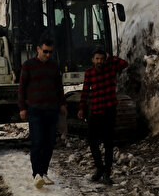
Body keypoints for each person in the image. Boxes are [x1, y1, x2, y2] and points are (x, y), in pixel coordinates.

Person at [18, 39, 66, 189]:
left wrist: (63, 103)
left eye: (50, 52)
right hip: (35, 110)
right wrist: (22, 108)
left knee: (49, 143)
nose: (48, 54)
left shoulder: (53, 66)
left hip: (52, 110)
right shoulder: (28, 66)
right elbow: (22, 88)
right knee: (38, 142)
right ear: (38, 49)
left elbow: (59, 87)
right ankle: (36, 174)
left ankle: (44, 172)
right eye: (45, 51)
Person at [78, 49, 129, 185]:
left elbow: (125, 64)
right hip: (95, 111)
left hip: (108, 110)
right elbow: (85, 91)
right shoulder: (89, 73)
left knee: (108, 143)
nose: (99, 61)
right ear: (93, 60)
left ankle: (107, 172)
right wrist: (81, 108)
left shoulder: (110, 68)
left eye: (101, 59)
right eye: (97, 59)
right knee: (92, 141)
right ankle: (99, 168)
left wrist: (110, 57)